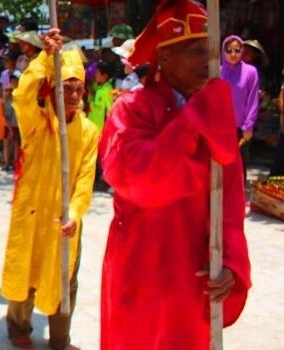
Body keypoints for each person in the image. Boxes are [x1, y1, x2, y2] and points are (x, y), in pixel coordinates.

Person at [99, 1, 251, 348]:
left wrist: (231, 260)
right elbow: (138, 179)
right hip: (141, 269)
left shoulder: (213, 112)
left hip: (195, 271)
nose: (208, 62)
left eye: (210, 52)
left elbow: (231, 198)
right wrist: (195, 119)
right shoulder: (132, 109)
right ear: (165, 57)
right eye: (197, 52)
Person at [0, 29, 99, 350]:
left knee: (65, 278)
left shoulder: (89, 131)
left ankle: (60, 339)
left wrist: (76, 213)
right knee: (25, 269)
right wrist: (45, 57)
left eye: (78, 89)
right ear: (53, 88)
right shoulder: (37, 121)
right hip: (32, 212)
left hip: (65, 220)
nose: (72, 95)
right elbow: (22, 95)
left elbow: (86, 176)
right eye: (65, 87)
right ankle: (18, 326)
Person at [221, 35, 260, 184]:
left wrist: (248, 126)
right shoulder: (217, 72)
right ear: (223, 51)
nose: (233, 54)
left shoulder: (250, 72)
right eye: (229, 50)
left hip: (241, 127)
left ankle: (239, 197)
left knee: (240, 163)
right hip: (221, 127)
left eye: (237, 50)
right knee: (221, 163)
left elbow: (253, 100)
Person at [2, 70, 20, 171]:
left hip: (17, 123)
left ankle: (15, 163)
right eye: (12, 80)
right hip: (8, 122)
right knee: (7, 143)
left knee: (16, 143)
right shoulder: (7, 93)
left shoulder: (23, 94)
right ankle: (6, 162)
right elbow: (4, 111)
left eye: (15, 80)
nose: (13, 82)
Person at [88, 60, 114, 131]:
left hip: (99, 130)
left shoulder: (108, 91)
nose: (95, 74)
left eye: (97, 72)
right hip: (91, 125)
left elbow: (110, 112)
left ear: (105, 76)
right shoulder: (97, 86)